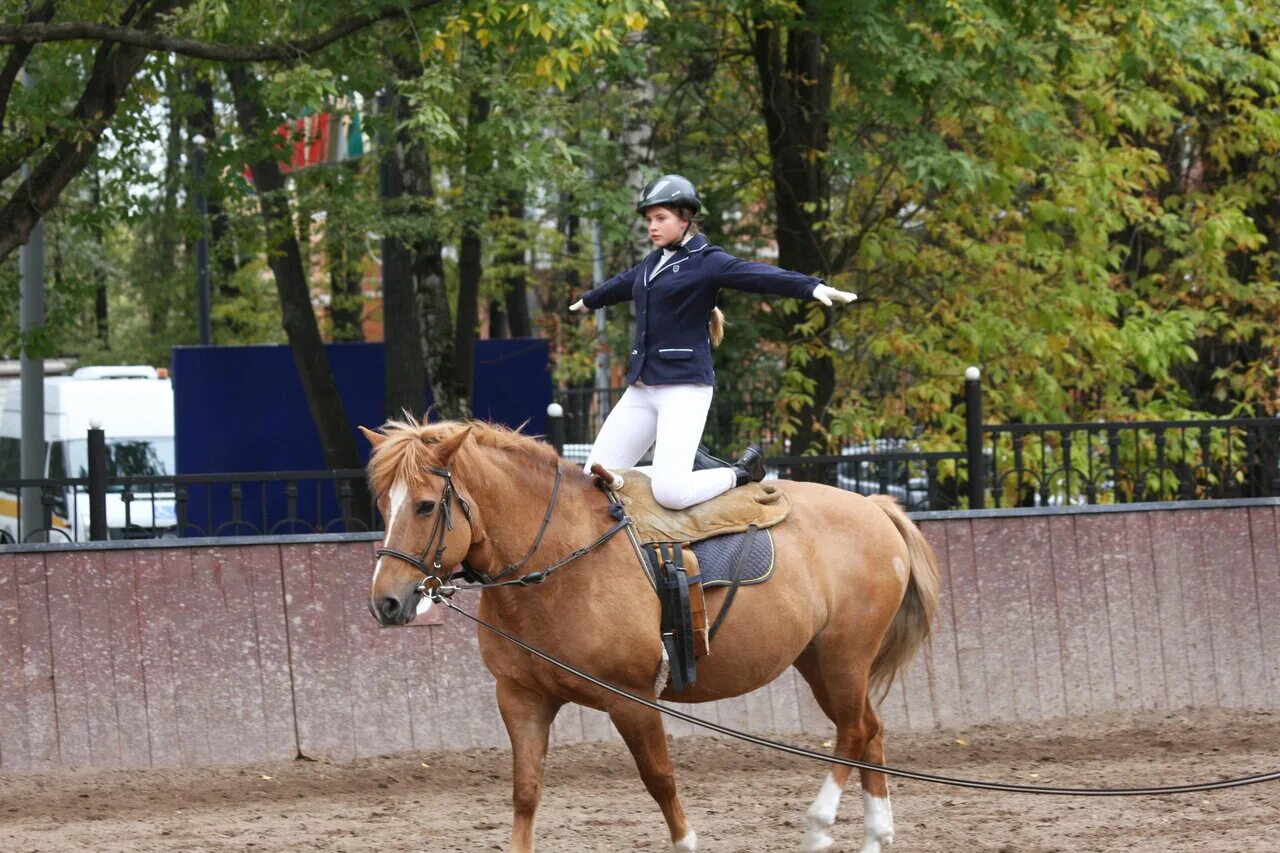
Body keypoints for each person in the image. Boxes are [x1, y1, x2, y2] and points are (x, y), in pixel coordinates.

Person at [570, 174, 856, 510]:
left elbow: (758, 274)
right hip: (642, 387)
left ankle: (740, 472)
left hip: (684, 387)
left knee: (671, 494)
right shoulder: (651, 263)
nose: (652, 227)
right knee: (593, 478)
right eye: (649, 220)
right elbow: (622, 284)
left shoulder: (708, 261)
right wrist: (590, 300)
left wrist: (810, 287)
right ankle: (637, 483)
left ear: (685, 218)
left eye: (660, 219)